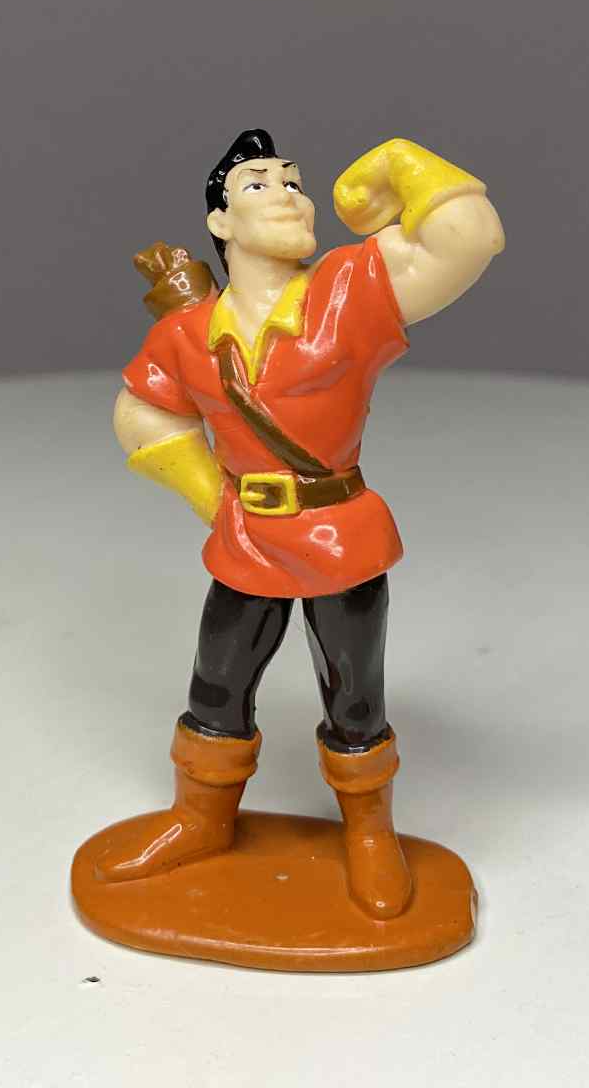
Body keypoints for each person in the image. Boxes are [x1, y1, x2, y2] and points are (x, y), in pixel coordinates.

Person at [102, 128, 505, 918]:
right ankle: (199, 818)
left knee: (355, 695)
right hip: (246, 539)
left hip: (337, 533)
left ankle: (369, 833)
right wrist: (212, 497)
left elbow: (469, 237)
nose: (288, 193)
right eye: (258, 184)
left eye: (293, 181)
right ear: (220, 222)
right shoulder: (190, 331)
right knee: (216, 685)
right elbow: (142, 411)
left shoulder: (350, 289)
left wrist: (397, 161)